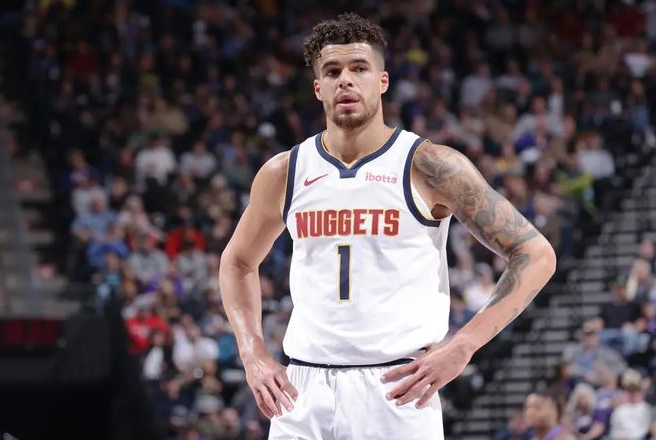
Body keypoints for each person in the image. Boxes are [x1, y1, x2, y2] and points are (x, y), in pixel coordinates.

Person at [219, 13, 557, 440]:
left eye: (359, 68)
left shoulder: (430, 166)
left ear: (383, 81)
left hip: (396, 387)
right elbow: (237, 263)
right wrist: (252, 354)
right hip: (302, 389)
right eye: (332, 71)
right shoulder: (285, 172)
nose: (346, 80)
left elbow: (535, 254)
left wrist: (464, 345)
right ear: (318, 87)